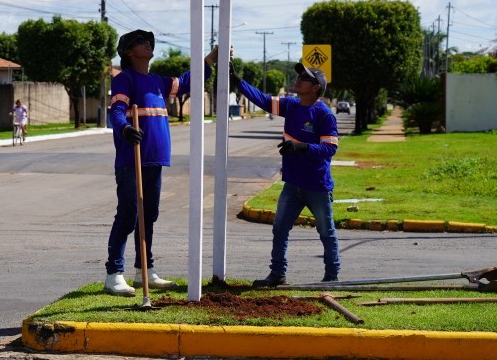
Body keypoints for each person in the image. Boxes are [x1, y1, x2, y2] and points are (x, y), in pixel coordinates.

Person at [103, 29, 218, 296]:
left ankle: (145, 270)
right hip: (132, 158)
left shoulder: (157, 81)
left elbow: (188, 82)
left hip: (155, 158)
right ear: (129, 52)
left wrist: (209, 60)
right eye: (142, 42)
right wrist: (125, 129)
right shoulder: (124, 79)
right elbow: (117, 112)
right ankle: (113, 274)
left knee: (149, 216)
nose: (148, 44)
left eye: (149, 41)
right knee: (128, 215)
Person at [230, 60, 340, 286]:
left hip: (317, 185)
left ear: (316, 87)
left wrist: (303, 147)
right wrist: (238, 82)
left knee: (326, 232)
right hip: (292, 184)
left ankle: (332, 276)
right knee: (280, 229)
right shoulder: (291, 105)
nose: (298, 80)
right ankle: (277, 274)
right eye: (299, 76)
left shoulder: (324, 114)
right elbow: (263, 100)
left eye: (304, 78)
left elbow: (331, 147)